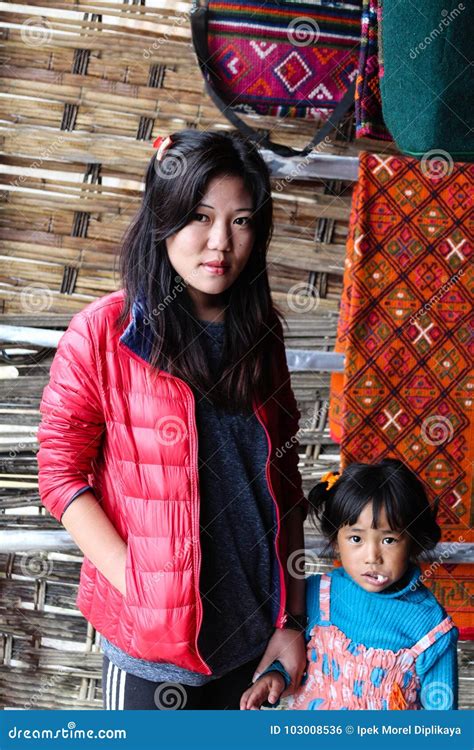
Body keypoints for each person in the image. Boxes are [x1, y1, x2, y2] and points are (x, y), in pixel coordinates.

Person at [37, 129, 308, 710]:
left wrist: (291, 619)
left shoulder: (261, 335)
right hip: (151, 652)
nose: (219, 243)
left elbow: (285, 486)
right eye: (199, 216)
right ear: (163, 218)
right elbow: (60, 476)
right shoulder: (105, 332)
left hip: (253, 647)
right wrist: (139, 582)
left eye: (240, 221)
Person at [240, 459, 459, 710]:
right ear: (336, 540)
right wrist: (276, 676)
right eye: (356, 538)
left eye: (389, 540)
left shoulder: (431, 629)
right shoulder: (315, 596)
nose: (372, 557)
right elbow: (294, 658)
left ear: (412, 542)